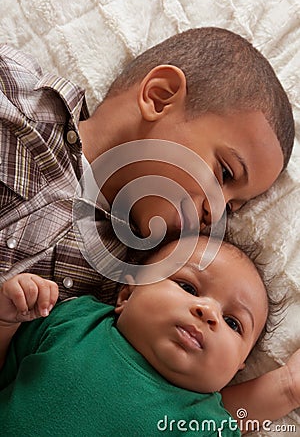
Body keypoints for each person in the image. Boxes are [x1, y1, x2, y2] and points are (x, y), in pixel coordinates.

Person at [0, 27, 295, 303]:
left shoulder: (138, 279)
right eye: (225, 173)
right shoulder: (15, 92)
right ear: (159, 97)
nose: (216, 213)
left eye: (231, 209)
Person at [0, 236, 299, 436]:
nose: (208, 312)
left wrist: (287, 387)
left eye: (233, 323)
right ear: (127, 295)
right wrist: (7, 319)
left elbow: (236, 416)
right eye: (189, 288)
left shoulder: (202, 421)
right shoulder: (76, 320)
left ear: (237, 367)